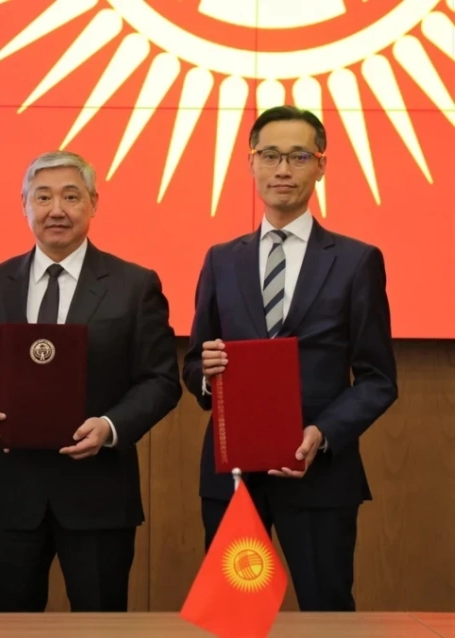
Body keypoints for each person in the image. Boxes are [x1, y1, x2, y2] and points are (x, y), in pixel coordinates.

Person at [182, 105, 398, 611]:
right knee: (234, 615)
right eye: (270, 156)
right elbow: (194, 363)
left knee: (326, 611)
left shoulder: (356, 260)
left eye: (299, 157)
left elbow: (378, 379)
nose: (283, 169)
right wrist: (208, 377)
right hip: (233, 475)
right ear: (251, 163)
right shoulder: (221, 259)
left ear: (321, 166)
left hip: (320, 475)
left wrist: (322, 434)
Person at [0, 150, 182, 613]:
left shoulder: (134, 285)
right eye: (43, 197)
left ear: (93, 203)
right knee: (11, 626)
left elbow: (161, 379)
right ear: (24, 205)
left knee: (100, 626)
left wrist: (110, 427)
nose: (57, 209)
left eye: (71, 197)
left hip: (99, 495)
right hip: (14, 495)